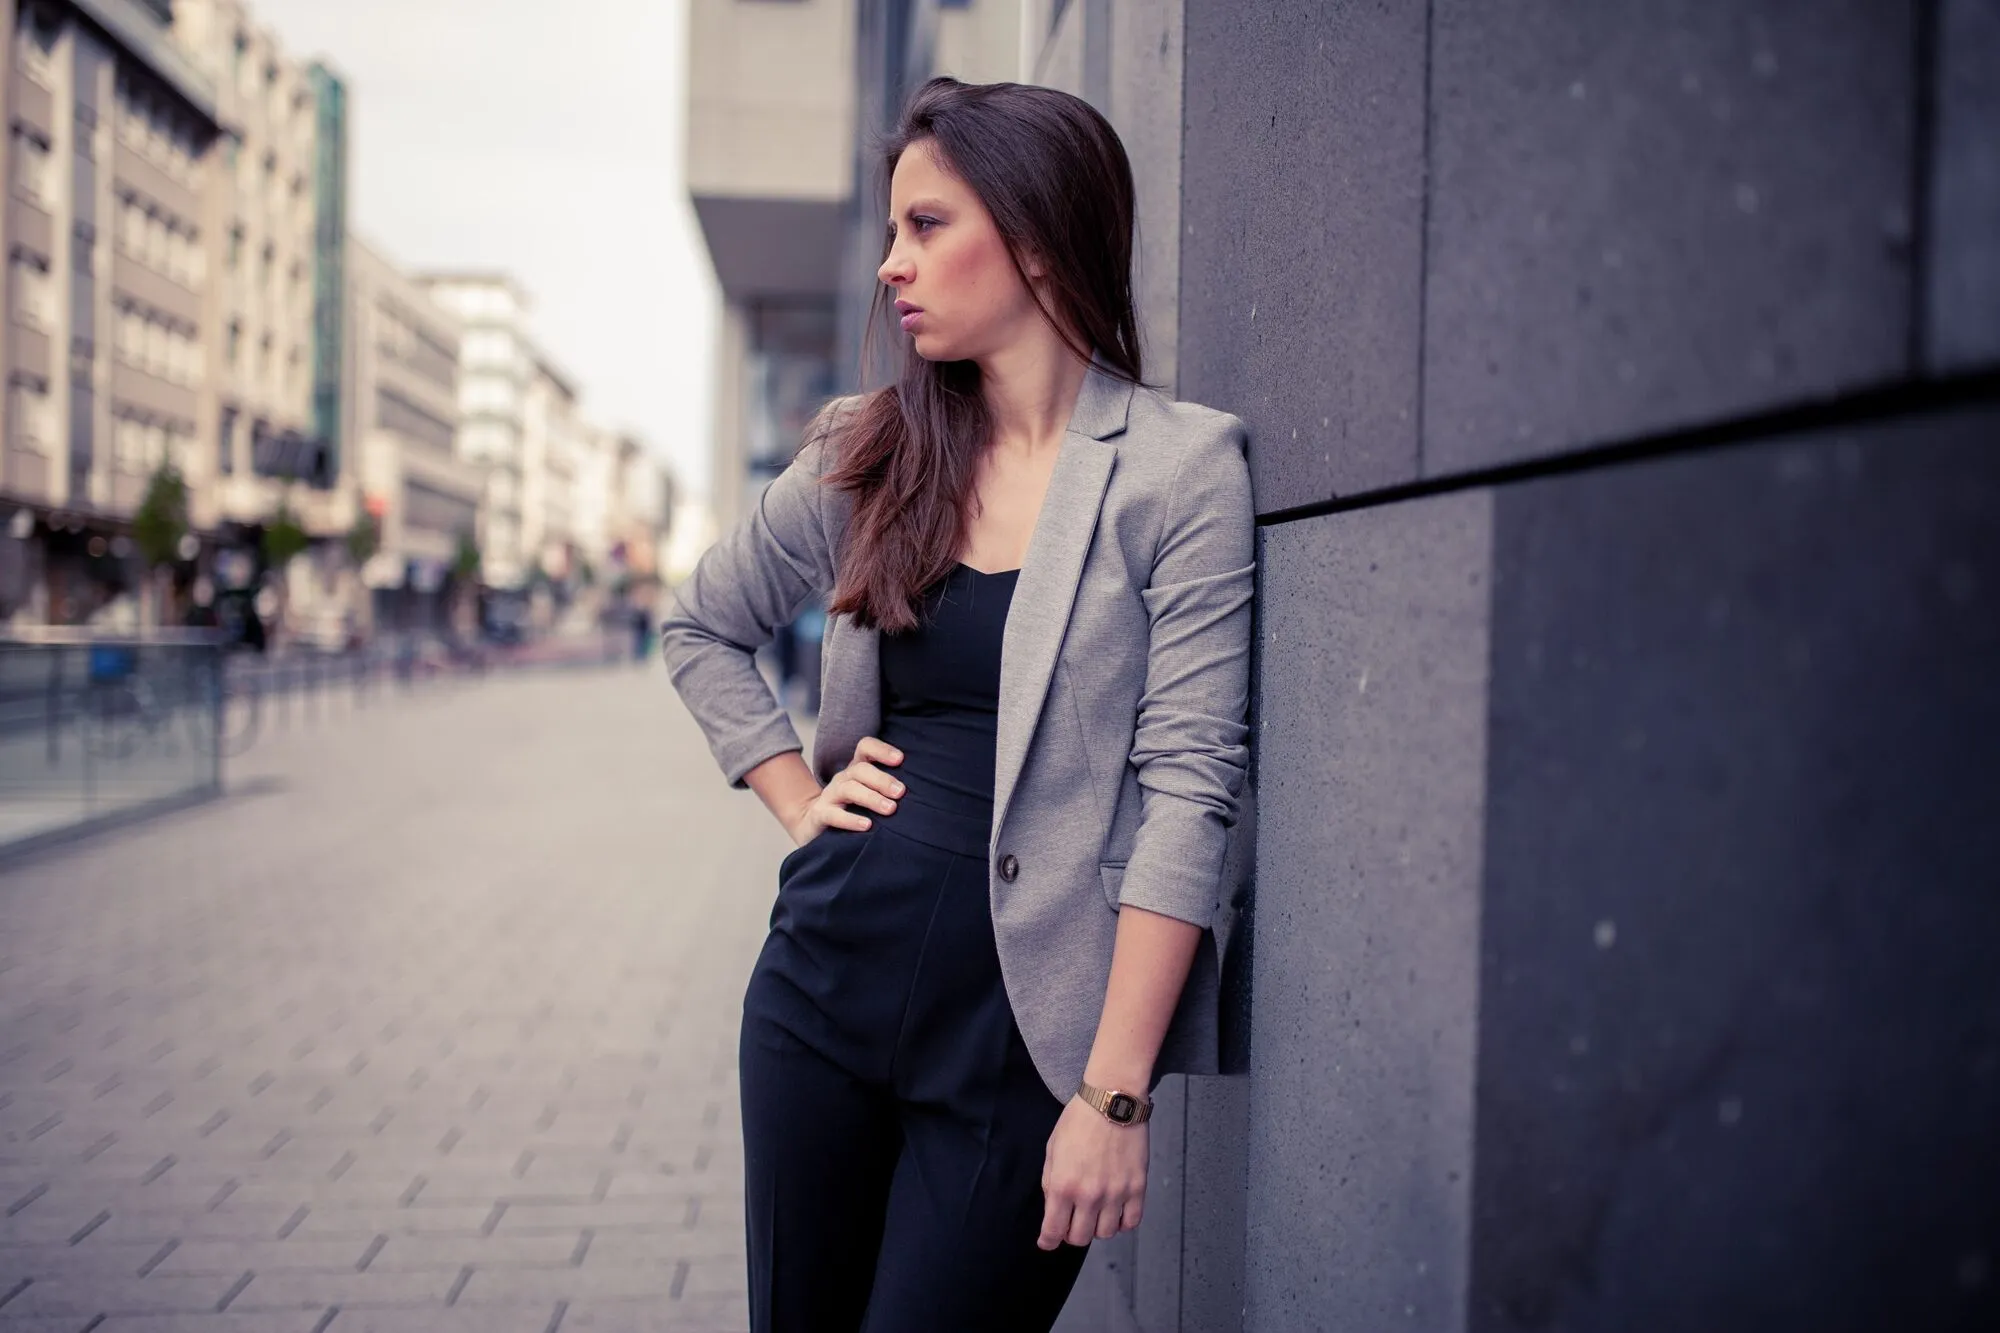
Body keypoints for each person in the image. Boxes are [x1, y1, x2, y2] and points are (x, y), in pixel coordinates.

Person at [659, 76, 1254, 1333]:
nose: (891, 265)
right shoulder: (865, 448)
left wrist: (1113, 1099)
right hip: (820, 993)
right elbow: (700, 622)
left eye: (924, 226)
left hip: (1024, 1047)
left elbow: (1191, 792)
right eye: (888, 233)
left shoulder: (1177, 473)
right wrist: (795, 797)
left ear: (1033, 234)